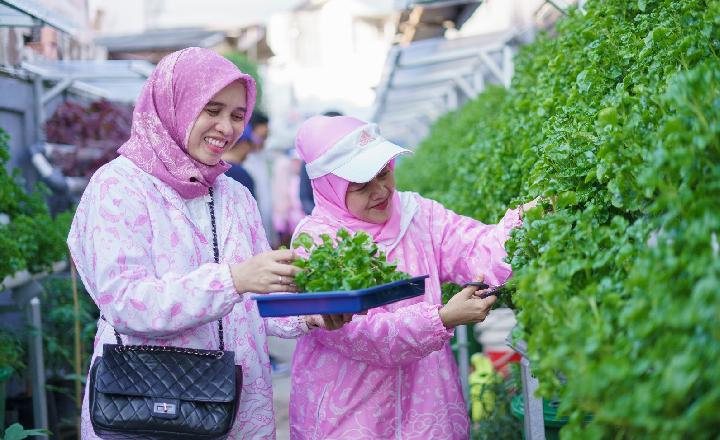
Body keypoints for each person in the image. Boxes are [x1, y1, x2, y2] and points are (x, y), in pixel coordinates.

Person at [67, 48, 344, 439]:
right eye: (211, 109)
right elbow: (127, 303)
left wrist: (309, 314)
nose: (226, 127)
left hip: (233, 408)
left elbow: (254, 302)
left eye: (236, 115)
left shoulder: (233, 195)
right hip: (146, 409)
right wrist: (233, 279)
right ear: (175, 104)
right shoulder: (120, 185)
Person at [288, 115, 539, 439]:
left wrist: (524, 221)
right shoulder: (317, 242)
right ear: (329, 188)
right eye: (362, 186)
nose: (381, 191)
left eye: (384, 174)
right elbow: (357, 333)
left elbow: (475, 248)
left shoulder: (417, 214)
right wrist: (442, 318)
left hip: (426, 401)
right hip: (350, 410)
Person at [223, 122, 257, 197]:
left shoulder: (210, 169)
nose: (250, 150)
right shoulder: (241, 174)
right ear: (244, 144)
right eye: (250, 145)